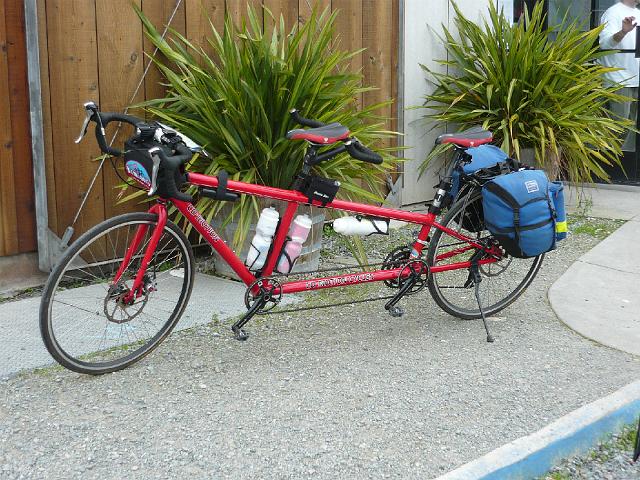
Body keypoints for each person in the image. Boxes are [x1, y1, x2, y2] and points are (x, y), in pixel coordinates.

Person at [599, 0, 640, 151]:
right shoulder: (612, 12)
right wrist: (623, 32)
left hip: (635, 78)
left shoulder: (638, 13)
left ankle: (617, 165)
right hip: (618, 80)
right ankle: (607, 164)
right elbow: (605, 44)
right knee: (617, 128)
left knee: (629, 128)